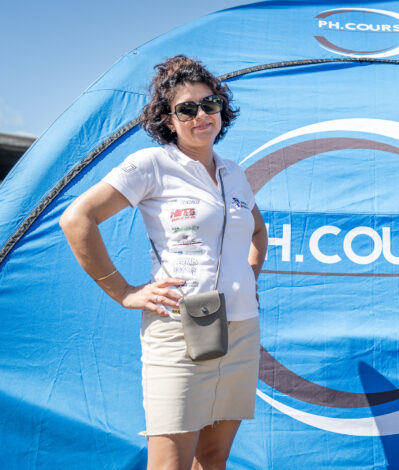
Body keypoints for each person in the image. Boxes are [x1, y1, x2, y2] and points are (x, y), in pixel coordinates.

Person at [60, 55, 268, 470]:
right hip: (180, 329)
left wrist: (249, 278)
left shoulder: (233, 172)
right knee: (169, 464)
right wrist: (124, 292)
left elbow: (257, 232)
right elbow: (77, 219)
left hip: (242, 329)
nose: (201, 115)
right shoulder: (151, 165)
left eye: (209, 104)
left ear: (221, 109)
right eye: (186, 109)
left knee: (214, 458)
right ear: (168, 120)